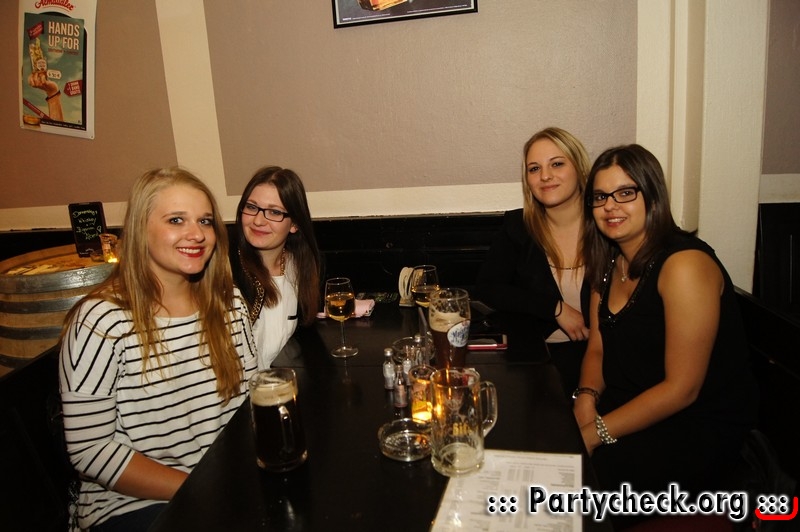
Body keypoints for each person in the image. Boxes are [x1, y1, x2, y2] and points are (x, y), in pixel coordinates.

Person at [59, 167, 258, 531]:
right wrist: (202, 490)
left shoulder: (228, 302)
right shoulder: (102, 322)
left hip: (222, 488)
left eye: (205, 221)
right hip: (130, 506)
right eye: (176, 220)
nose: (197, 234)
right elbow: (90, 451)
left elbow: (249, 404)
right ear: (141, 229)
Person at [574, 144, 757, 518]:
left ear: (652, 195)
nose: (610, 206)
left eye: (626, 193)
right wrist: (586, 398)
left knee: (573, 490)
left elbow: (682, 389)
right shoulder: (607, 261)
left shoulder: (684, 265)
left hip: (693, 427)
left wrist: (593, 433)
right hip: (631, 407)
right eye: (600, 197)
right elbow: (598, 347)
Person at [474, 127, 591, 392]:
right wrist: (554, 308)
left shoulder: (608, 223)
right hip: (541, 362)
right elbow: (487, 287)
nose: (545, 176)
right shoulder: (519, 226)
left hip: (607, 360)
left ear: (579, 167)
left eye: (557, 164)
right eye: (534, 169)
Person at [230, 166, 322, 369]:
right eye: (252, 207)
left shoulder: (297, 268)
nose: (258, 220)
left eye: (274, 212)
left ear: (294, 224)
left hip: (280, 383)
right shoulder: (226, 274)